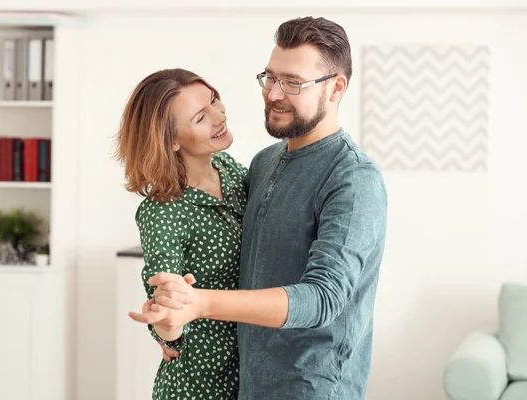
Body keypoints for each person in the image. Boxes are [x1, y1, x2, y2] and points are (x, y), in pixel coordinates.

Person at [130, 16, 388, 400]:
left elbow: (324, 297)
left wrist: (200, 305)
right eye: (270, 77)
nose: (273, 94)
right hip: (246, 383)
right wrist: (170, 324)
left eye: (293, 83)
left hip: (311, 389)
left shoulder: (353, 179)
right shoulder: (264, 162)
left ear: (335, 89)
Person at [115, 68, 247, 400]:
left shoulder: (230, 169)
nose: (220, 116)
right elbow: (165, 302)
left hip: (252, 368)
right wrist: (166, 326)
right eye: (202, 117)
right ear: (170, 140)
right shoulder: (163, 212)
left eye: (214, 100)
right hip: (200, 384)